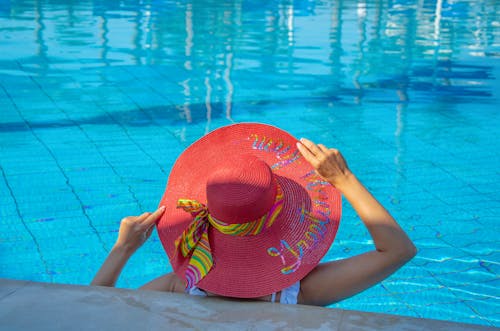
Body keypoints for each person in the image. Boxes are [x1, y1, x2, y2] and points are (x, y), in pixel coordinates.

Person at [91, 123, 416, 306]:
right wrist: (343, 179)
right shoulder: (298, 293)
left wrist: (123, 249)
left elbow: (91, 310)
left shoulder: (180, 287)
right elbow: (398, 251)